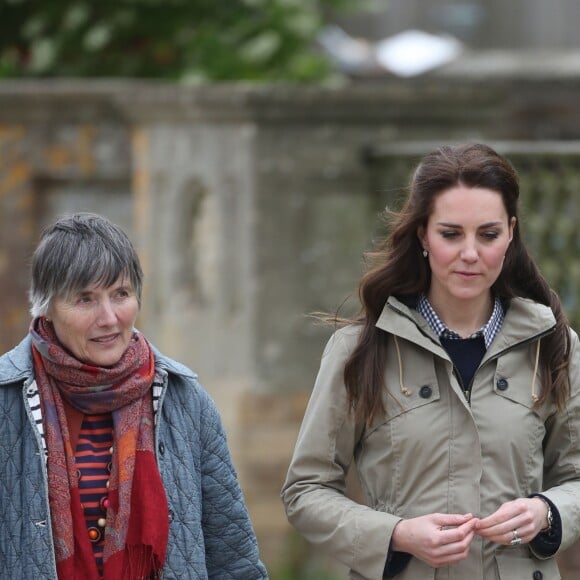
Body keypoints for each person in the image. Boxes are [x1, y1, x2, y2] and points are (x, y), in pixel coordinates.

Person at [281, 143, 580, 579]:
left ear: (511, 233)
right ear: (423, 234)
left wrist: (547, 512)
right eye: (451, 233)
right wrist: (396, 534)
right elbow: (305, 491)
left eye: (489, 234)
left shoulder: (553, 346)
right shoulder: (361, 349)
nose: (470, 253)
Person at [0, 212, 268, 579]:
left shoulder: (184, 399)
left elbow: (233, 558)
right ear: (46, 307)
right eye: (84, 299)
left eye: (120, 294)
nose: (109, 317)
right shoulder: (7, 399)